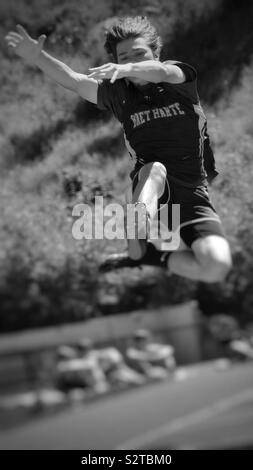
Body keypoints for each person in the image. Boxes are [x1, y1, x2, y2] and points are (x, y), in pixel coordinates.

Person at [5, 17, 232, 283]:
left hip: (194, 194)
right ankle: (140, 221)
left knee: (216, 267)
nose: (131, 62)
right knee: (156, 169)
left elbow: (159, 73)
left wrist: (128, 67)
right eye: (123, 57)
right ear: (115, 61)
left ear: (156, 54)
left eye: (139, 53)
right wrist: (39, 57)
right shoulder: (119, 95)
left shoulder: (177, 77)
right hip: (148, 187)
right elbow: (75, 81)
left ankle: (149, 255)